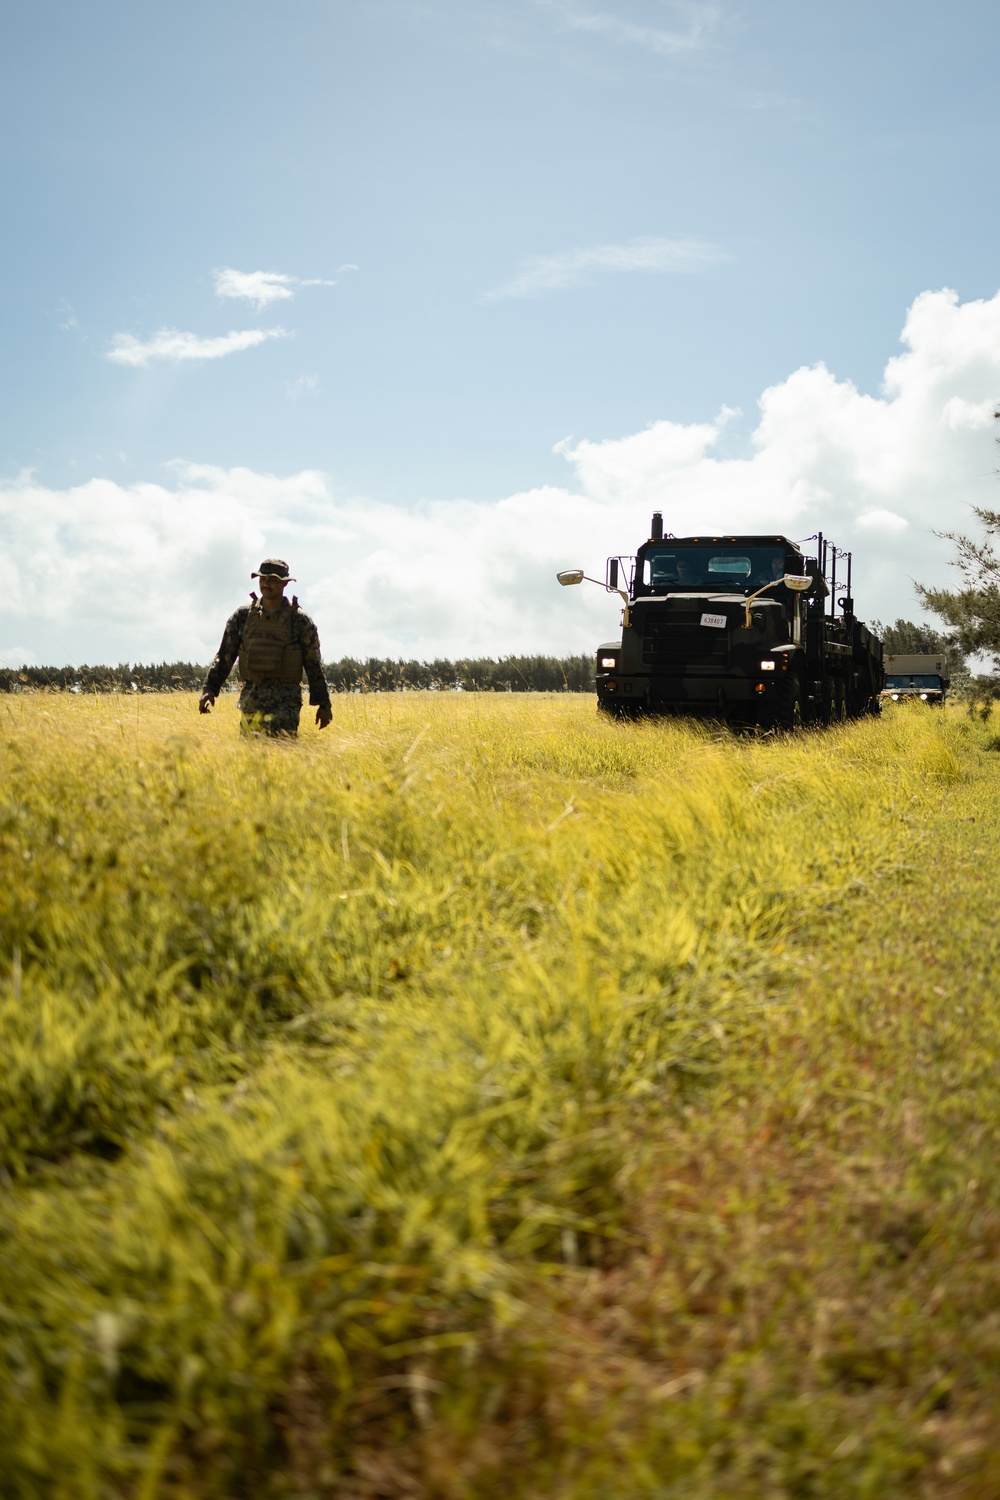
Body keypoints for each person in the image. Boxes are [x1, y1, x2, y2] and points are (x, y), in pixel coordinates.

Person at [199, 559, 333, 735]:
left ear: (285, 583)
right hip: (252, 700)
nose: (266, 584)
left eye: (273, 580)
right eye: (263, 579)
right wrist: (210, 689)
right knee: (250, 758)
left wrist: (323, 703)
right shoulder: (242, 617)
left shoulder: (300, 621)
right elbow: (225, 655)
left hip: (286, 703)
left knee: (282, 755)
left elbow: (313, 664)